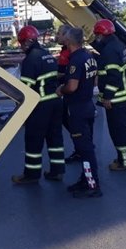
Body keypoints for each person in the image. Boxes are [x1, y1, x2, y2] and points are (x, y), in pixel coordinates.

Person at [11, 25, 65, 184]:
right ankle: (57, 171)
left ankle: (31, 175)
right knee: (55, 138)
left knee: (34, 141)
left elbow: (26, 89)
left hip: (40, 105)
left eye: (21, 43)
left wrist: (18, 110)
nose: (21, 47)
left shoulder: (30, 59)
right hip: (55, 102)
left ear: (27, 42)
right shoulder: (47, 55)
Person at [56, 27, 102, 198]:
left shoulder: (75, 60)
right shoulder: (88, 57)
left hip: (77, 110)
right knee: (87, 147)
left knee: (85, 150)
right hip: (88, 106)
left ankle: (92, 185)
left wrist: (61, 89)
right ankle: (86, 179)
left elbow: (72, 86)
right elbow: (95, 80)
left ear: (68, 41)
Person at [91, 19, 126, 171]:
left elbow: (114, 77)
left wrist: (107, 97)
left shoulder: (109, 51)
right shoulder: (116, 45)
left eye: (97, 36)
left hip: (117, 99)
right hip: (125, 97)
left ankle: (125, 162)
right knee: (125, 130)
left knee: (119, 133)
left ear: (100, 35)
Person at [55, 25, 81, 163]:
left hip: (71, 96)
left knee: (73, 124)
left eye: (59, 33)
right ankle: (80, 149)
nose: (57, 36)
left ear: (67, 37)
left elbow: (66, 74)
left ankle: (81, 150)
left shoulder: (71, 55)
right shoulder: (66, 52)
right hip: (72, 96)